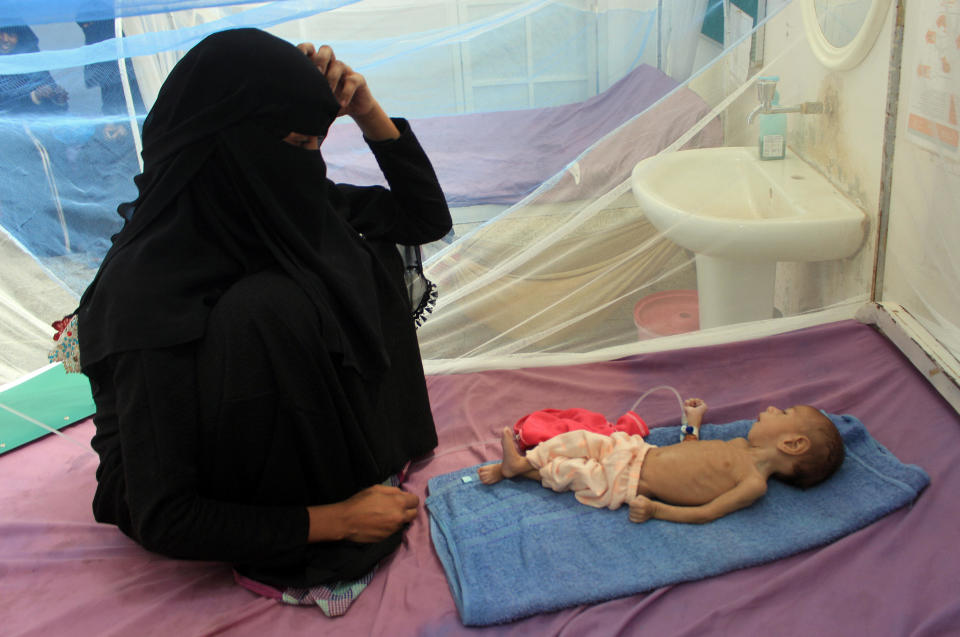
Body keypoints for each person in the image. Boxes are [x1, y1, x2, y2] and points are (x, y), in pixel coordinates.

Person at [74, 28, 452, 591]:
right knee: (270, 305)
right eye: (298, 143)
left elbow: (425, 221)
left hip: (302, 444)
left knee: (348, 249)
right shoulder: (147, 293)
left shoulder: (280, 210)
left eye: (317, 146)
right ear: (227, 143)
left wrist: (367, 112)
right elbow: (162, 514)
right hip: (221, 488)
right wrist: (335, 521)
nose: (310, 166)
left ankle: (353, 452)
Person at [477, 399, 845, 524]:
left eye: (783, 412)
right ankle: (524, 461)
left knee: (573, 473)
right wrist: (693, 421)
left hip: (628, 483)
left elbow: (705, 513)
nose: (769, 409)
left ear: (793, 443)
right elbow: (689, 449)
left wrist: (655, 510)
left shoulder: (753, 484)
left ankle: (521, 471)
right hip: (638, 452)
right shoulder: (736, 444)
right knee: (583, 440)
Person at [0, 25, 68, 114]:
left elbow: (57, 110)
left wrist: (58, 99)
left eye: (11, 34)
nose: (5, 39)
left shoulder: (32, 63)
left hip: (39, 125)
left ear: (20, 38)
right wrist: (34, 96)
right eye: (0, 34)